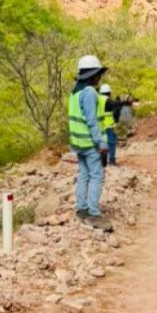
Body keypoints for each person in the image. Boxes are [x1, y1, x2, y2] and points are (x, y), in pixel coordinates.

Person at [67, 55, 113, 232]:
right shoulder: (89, 93)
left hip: (78, 143)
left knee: (84, 174)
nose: (99, 78)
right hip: (89, 143)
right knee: (97, 176)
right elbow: (92, 121)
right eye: (98, 74)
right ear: (93, 75)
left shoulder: (75, 93)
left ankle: (82, 209)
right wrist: (101, 143)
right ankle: (93, 213)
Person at [98, 84, 118, 166]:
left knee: (102, 144)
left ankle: (103, 162)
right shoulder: (109, 101)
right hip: (109, 126)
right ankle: (112, 161)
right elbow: (116, 112)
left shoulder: (97, 99)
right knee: (111, 143)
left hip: (100, 126)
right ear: (109, 93)